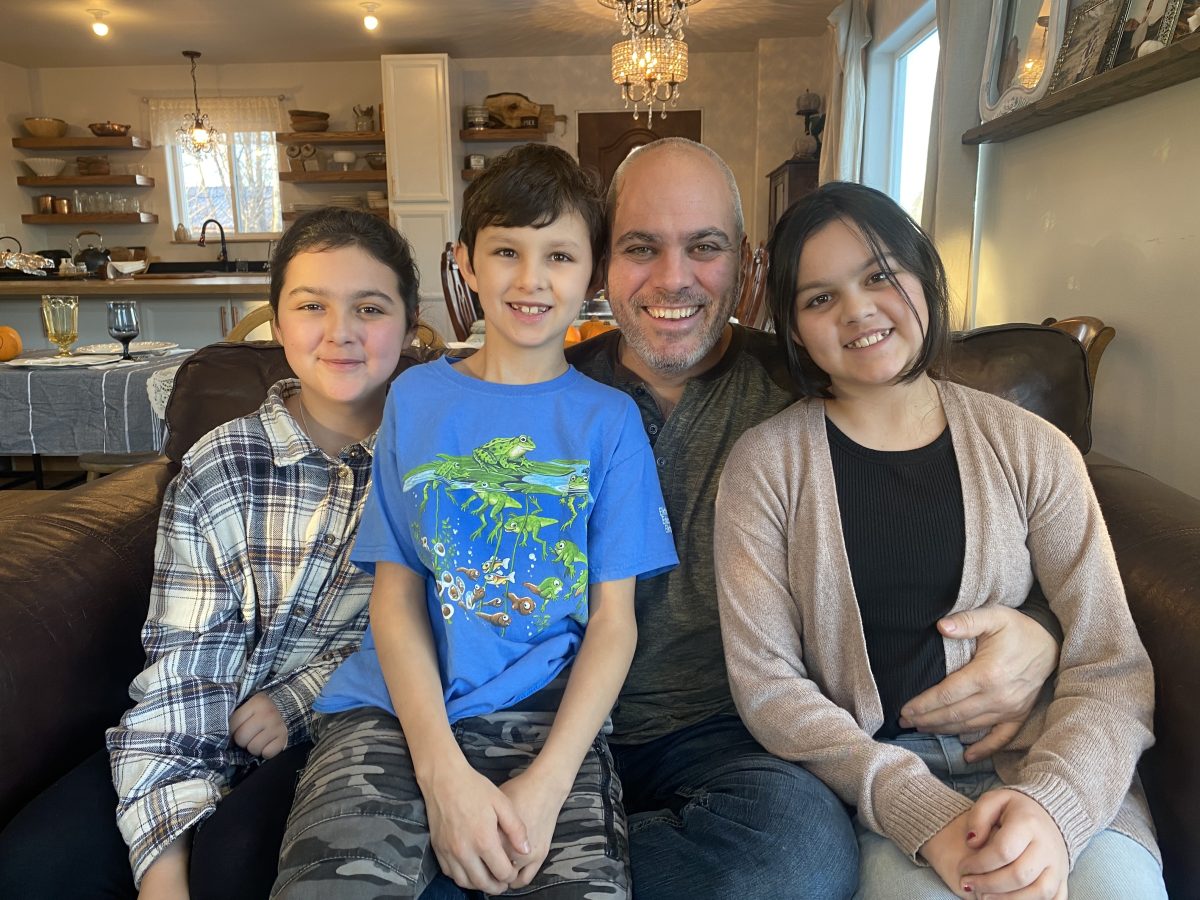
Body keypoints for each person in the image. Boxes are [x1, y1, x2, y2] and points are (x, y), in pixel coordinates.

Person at [564, 138, 1064, 898]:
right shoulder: (542, 394)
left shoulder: (810, 387)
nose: (673, 278)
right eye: (641, 248)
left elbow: (937, 503)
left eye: (705, 247)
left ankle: (539, 868)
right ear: (604, 264)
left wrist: (1042, 634)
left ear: (751, 268)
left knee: (798, 864)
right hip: (548, 716)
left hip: (729, 735)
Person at [714, 181, 1165, 898]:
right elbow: (767, 686)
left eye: (880, 276)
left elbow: (1110, 664)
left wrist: (1054, 806)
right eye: (819, 297)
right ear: (796, 329)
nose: (858, 310)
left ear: (925, 275)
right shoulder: (765, 468)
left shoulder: (1034, 450)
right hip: (882, 792)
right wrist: (911, 805)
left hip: (1052, 767)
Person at [272, 144, 678, 899]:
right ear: (464, 261)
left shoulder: (611, 422)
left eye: (558, 255)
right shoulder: (417, 400)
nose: (531, 280)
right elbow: (395, 599)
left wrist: (550, 783)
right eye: (505, 252)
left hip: (549, 718)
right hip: (392, 713)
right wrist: (440, 774)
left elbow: (613, 622)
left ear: (591, 275)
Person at [0, 206, 420, 900]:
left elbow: (416, 634)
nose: (341, 332)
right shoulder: (222, 463)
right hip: (195, 714)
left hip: (337, 735)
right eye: (312, 305)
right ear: (278, 323)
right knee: (31, 869)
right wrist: (163, 864)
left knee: (236, 870)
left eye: (370, 307)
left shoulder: (432, 463)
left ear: (409, 327)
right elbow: (184, 665)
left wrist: (296, 701)